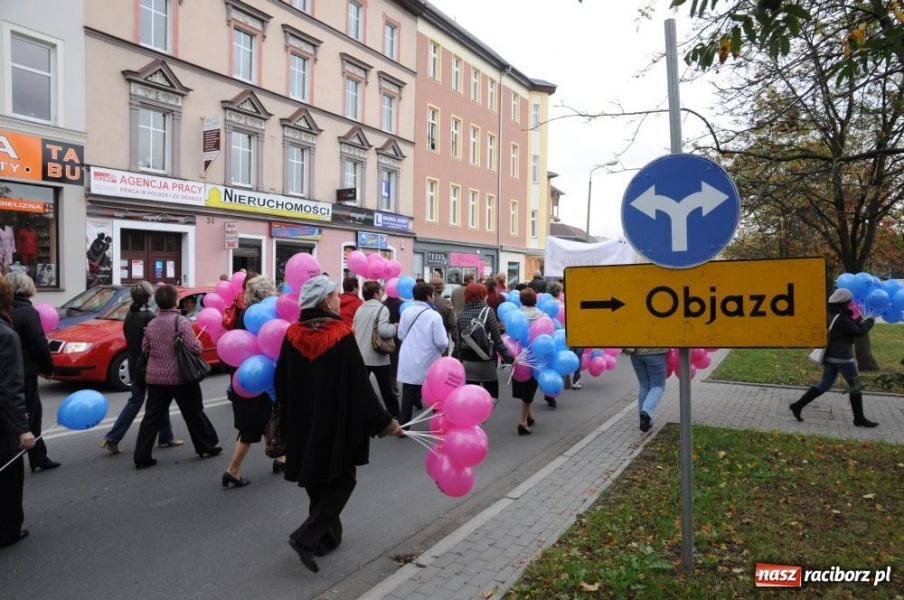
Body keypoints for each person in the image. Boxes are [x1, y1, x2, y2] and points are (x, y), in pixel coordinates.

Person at [275, 275, 402, 573]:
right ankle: (306, 538)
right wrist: (385, 423)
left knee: (317, 479)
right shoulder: (341, 335)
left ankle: (327, 537)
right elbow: (360, 387)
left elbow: (280, 380)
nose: (336, 299)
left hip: (301, 420)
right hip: (335, 421)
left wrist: (287, 412)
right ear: (324, 300)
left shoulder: (291, 334)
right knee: (342, 479)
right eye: (333, 295)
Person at [132, 284, 221, 469]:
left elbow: (145, 349)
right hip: (180, 376)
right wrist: (197, 344)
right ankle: (206, 446)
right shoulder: (180, 322)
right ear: (175, 301)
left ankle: (141, 456)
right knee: (194, 412)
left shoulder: (152, 323)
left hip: (155, 378)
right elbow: (193, 347)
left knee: (151, 417)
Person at [101, 281, 181, 455]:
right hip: (147, 363)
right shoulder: (149, 316)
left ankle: (165, 436)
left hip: (133, 361)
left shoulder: (130, 313)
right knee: (156, 400)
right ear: (147, 297)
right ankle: (115, 436)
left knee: (145, 400)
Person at [223, 275, 285, 487]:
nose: (274, 293)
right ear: (265, 293)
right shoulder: (260, 315)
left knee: (272, 417)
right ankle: (232, 470)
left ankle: (280, 457)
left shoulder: (245, 314)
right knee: (251, 428)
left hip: (250, 377)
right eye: (270, 290)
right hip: (254, 379)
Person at [789, 288, 878, 427]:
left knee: (825, 384)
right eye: (849, 302)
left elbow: (849, 328)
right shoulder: (841, 318)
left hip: (830, 356)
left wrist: (860, 321)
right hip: (843, 358)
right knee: (856, 386)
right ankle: (859, 418)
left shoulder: (834, 314)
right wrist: (870, 322)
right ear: (844, 302)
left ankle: (798, 405)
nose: (850, 304)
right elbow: (859, 332)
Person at [6, 272, 58, 473]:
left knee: (22, 413)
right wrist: (49, 368)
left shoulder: (7, 309)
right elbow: (39, 343)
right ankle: (36, 457)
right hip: (25, 372)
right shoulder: (28, 312)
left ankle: (39, 456)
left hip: (10, 370)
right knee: (31, 416)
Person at [0, 276, 36, 547]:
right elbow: (10, 388)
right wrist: (22, 429)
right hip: (3, 425)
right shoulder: (6, 335)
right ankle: (9, 530)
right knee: (9, 478)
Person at [397, 282, 448, 429]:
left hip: (409, 357)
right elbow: (442, 341)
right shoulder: (434, 316)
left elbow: (400, 335)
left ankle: (404, 425)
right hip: (429, 358)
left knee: (408, 392)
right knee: (435, 392)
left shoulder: (406, 312)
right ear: (428, 296)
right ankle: (437, 424)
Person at [453, 283, 514, 402]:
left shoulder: (460, 314)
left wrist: (460, 363)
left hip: (467, 362)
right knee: (492, 397)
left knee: (471, 399)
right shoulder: (488, 311)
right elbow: (497, 340)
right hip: (485, 361)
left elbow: (459, 342)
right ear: (481, 295)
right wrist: (509, 359)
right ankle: (482, 419)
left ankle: (475, 420)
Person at [510, 288, 557, 435]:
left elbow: (510, 335)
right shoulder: (543, 317)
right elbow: (551, 336)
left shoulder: (515, 315)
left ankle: (529, 416)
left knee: (523, 385)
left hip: (519, 356)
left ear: (521, 300)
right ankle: (523, 422)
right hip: (536, 357)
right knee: (530, 388)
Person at [353, 281, 400, 418]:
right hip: (378, 355)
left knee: (361, 388)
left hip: (362, 355)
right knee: (386, 390)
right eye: (380, 291)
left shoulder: (360, 308)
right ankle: (395, 416)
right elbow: (384, 332)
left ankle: (357, 416)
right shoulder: (381, 308)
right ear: (375, 294)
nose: (382, 293)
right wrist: (395, 327)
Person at [624, 347, 669, 432]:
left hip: (636, 353)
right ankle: (647, 412)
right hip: (655, 352)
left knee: (644, 386)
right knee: (658, 385)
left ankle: (645, 421)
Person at [383, 290, 404, 395]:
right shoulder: (401, 304)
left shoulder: (383, 303)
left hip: (384, 335)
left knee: (387, 360)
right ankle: (393, 385)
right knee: (394, 361)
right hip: (396, 336)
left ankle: (388, 384)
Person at [430, 277, 456, 354]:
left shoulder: (422, 302)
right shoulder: (446, 304)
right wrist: (457, 344)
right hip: (441, 344)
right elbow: (453, 325)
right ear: (442, 289)